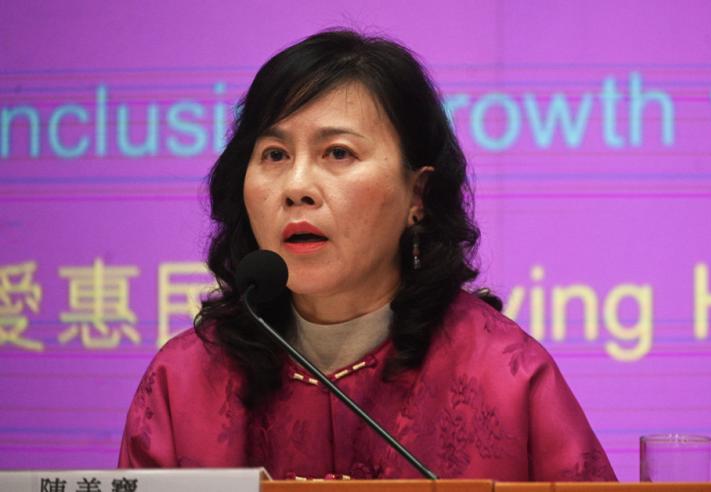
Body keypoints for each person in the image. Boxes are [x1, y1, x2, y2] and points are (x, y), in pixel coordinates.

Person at [118, 29, 616, 482]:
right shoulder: (183, 382)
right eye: (274, 155)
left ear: (417, 194)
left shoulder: (505, 378)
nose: (296, 187)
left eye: (338, 153)